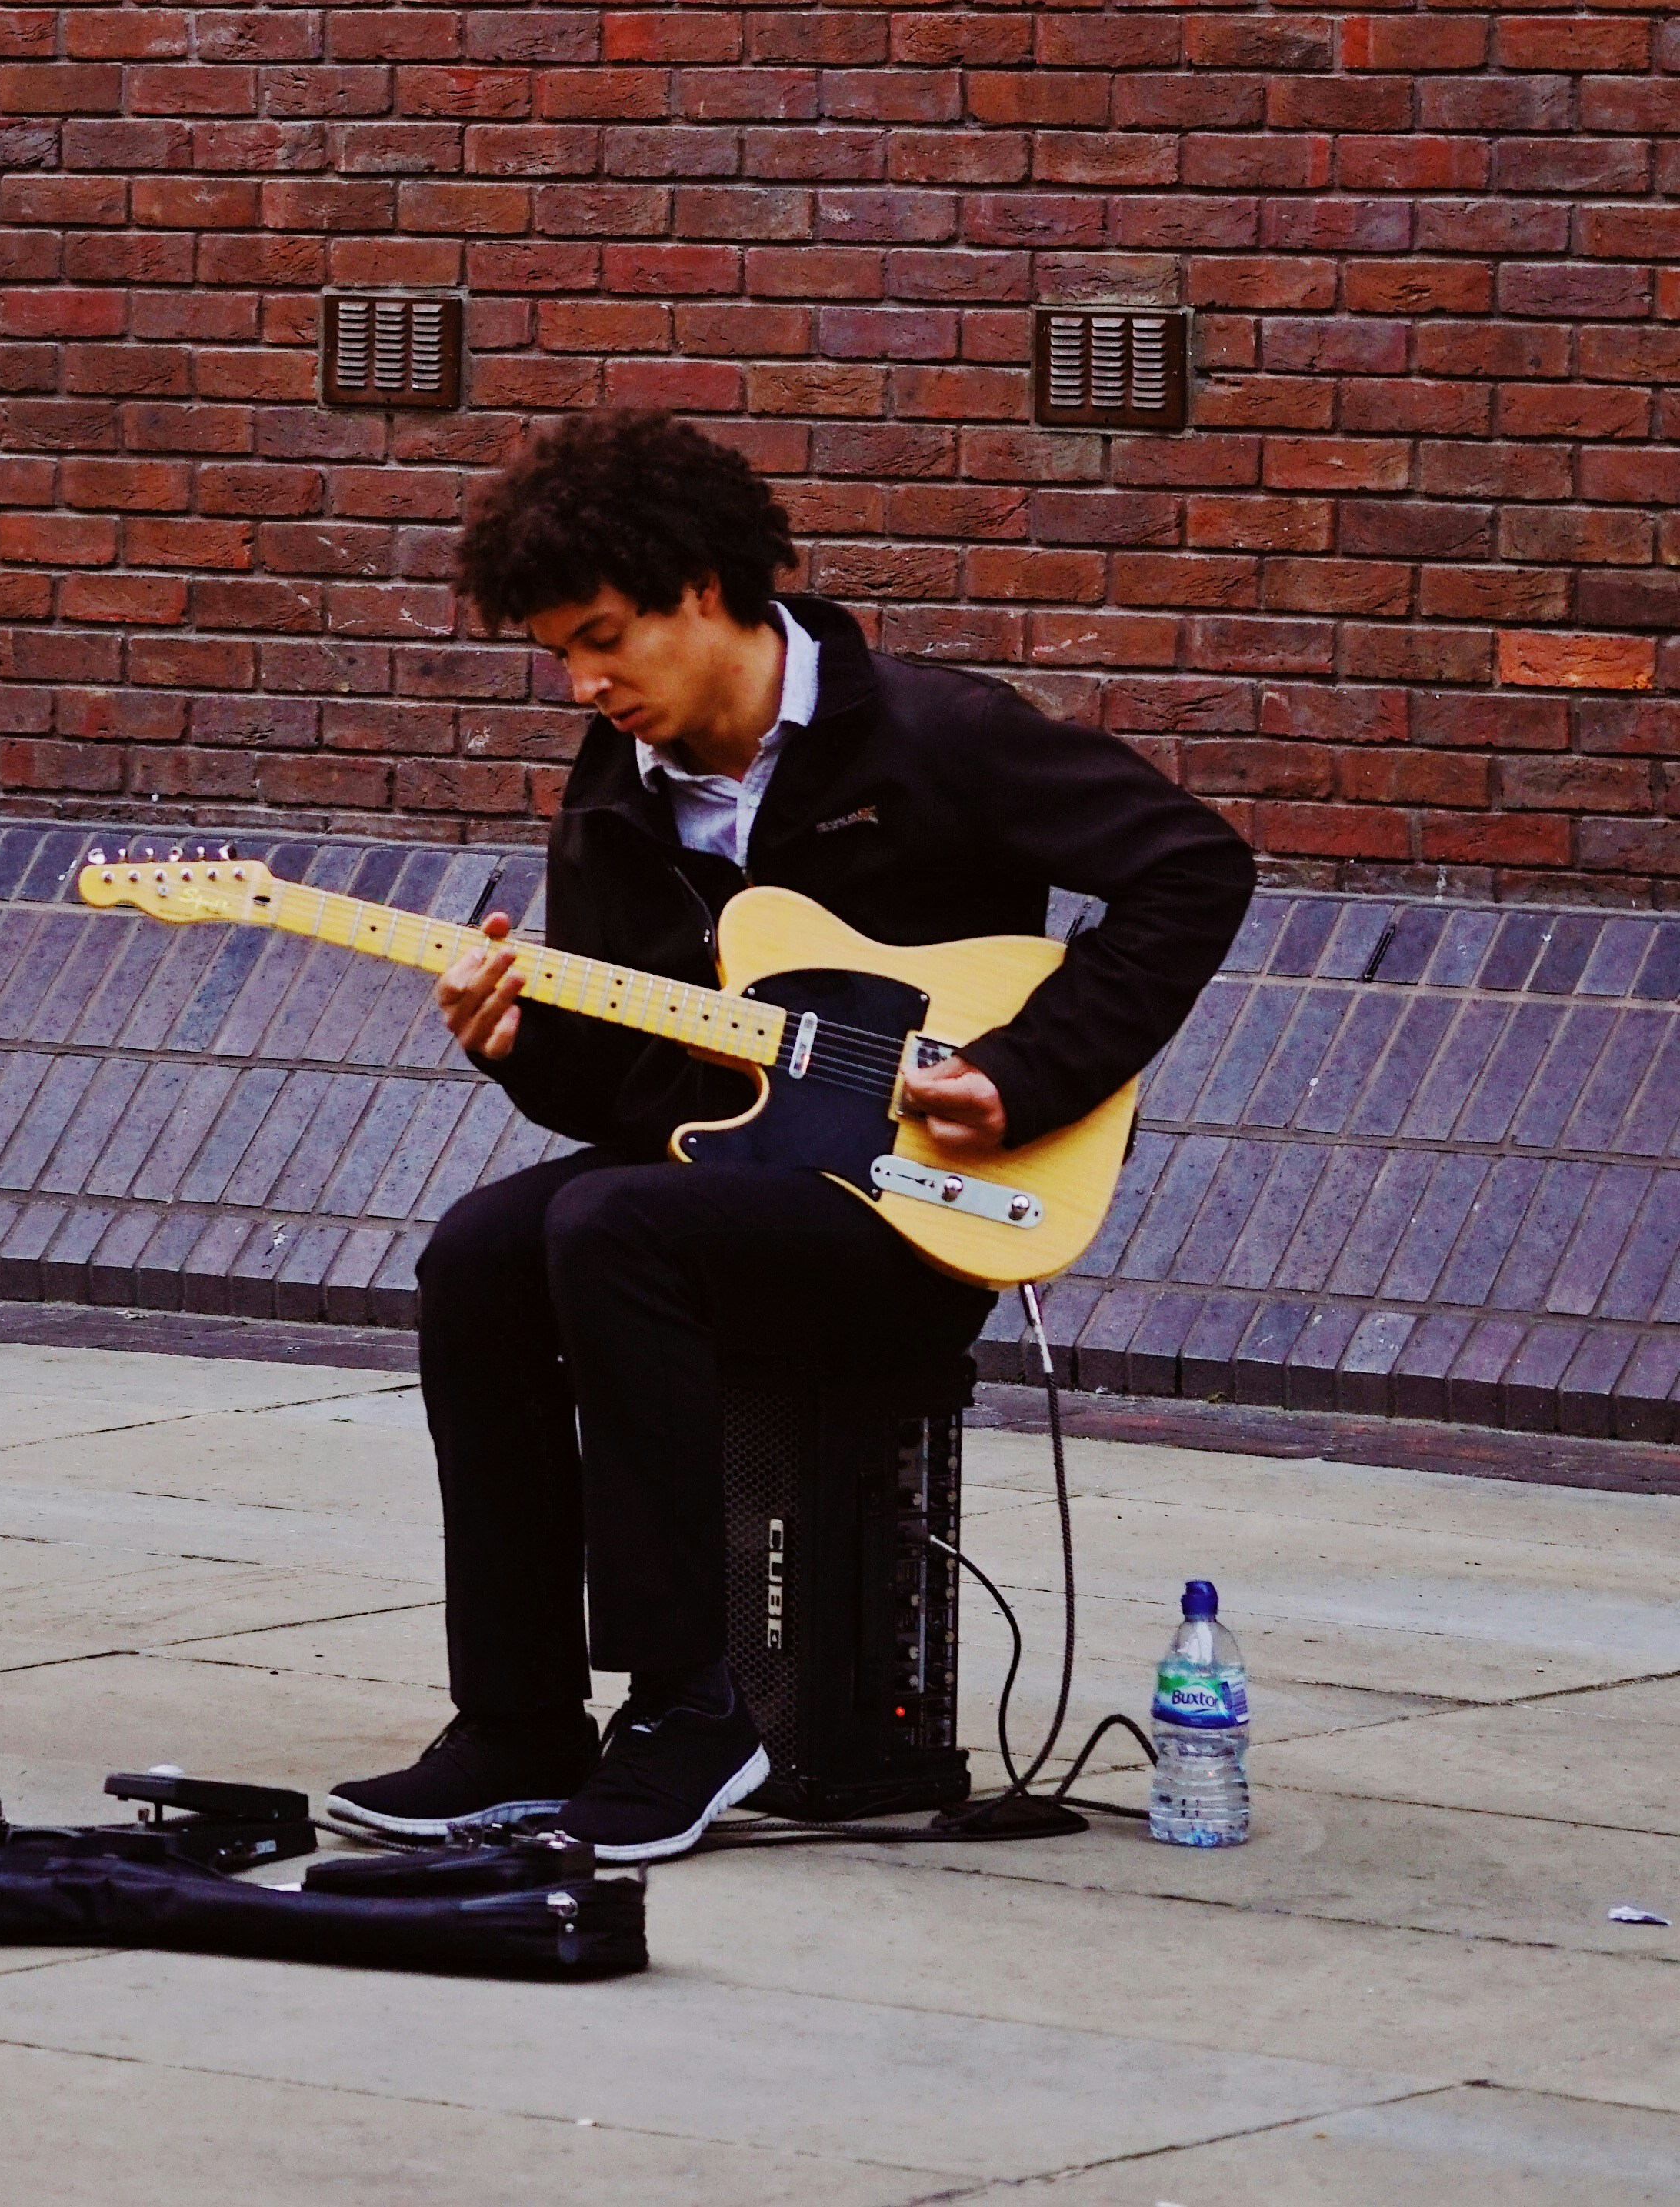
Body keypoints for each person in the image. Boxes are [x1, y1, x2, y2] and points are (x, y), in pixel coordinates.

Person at [328, 411, 1255, 1864]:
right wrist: (520, 1044)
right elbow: (649, 1101)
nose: (581, 681)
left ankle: (695, 1708)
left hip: (923, 1205)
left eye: (603, 637)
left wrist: (1027, 1073)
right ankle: (514, 1723)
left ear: (704, 587)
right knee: (480, 1251)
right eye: (558, 653)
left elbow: (1195, 867)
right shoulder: (615, 794)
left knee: (606, 1227)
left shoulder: (935, 734)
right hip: (743, 1181)